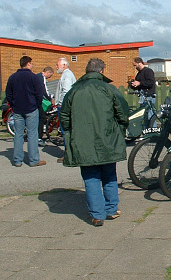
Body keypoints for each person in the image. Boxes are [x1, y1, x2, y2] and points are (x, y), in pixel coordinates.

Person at [59, 58, 129, 227]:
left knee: (90, 177)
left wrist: (72, 133)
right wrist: (118, 130)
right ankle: (111, 209)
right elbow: (123, 113)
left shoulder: (74, 91)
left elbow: (64, 117)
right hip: (107, 139)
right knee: (109, 175)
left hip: (83, 141)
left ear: (86, 71)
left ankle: (98, 215)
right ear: (101, 71)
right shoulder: (109, 89)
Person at [5, 56, 46, 167]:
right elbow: (39, 94)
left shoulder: (13, 77)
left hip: (17, 109)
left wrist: (13, 105)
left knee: (18, 134)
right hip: (31, 108)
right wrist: (37, 105)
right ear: (28, 63)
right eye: (31, 63)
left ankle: (17, 160)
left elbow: (8, 93)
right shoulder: (33, 77)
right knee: (32, 134)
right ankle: (33, 160)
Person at [55, 57, 76, 162]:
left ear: (64, 65)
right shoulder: (66, 75)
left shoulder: (67, 75)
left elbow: (66, 92)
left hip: (64, 107)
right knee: (67, 130)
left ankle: (68, 154)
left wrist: (62, 105)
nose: (56, 67)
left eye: (57, 65)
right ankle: (70, 152)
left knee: (66, 131)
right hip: (65, 106)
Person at [129, 57, 156, 127]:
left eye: (135, 65)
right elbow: (139, 85)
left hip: (149, 96)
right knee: (144, 116)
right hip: (143, 96)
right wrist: (133, 85)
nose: (135, 67)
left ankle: (153, 132)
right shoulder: (139, 74)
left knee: (150, 116)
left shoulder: (148, 71)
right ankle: (146, 131)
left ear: (139, 63)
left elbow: (151, 82)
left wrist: (139, 83)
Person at [36, 66, 54, 146]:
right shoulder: (42, 78)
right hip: (38, 101)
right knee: (42, 117)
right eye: (50, 75)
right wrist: (50, 98)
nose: (49, 77)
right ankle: (39, 137)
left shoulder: (37, 76)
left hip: (35, 100)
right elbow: (44, 90)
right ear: (48, 72)